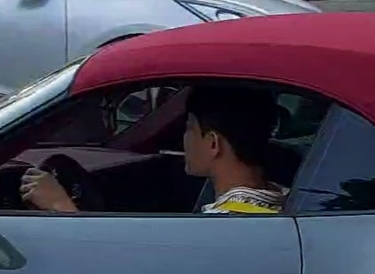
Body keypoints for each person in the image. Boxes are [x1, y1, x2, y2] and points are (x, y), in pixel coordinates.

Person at [21, 83, 286, 214]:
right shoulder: (281, 197)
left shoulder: (224, 223)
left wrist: (61, 205)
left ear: (213, 144)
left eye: (188, 129)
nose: (184, 138)